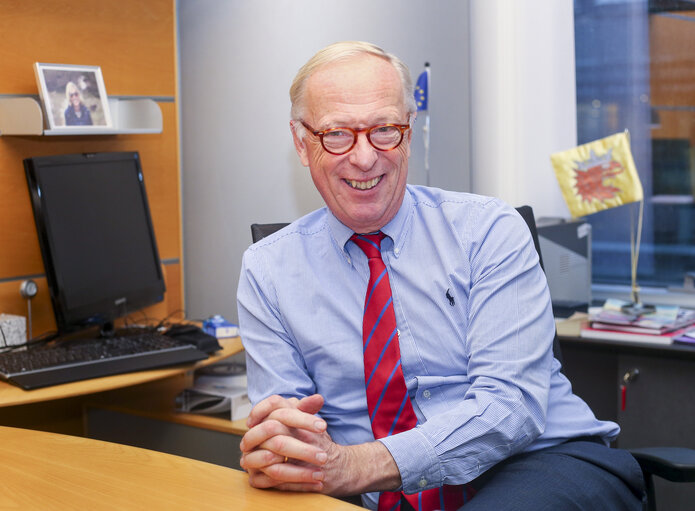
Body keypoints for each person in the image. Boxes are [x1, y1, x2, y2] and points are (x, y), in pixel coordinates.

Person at [237, 41, 645, 510]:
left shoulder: (488, 230)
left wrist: (354, 466)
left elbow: (509, 408)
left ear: (409, 133)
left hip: (540, 461)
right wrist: (279, 449)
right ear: (301, 143)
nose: (365, 157)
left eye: (385, 130)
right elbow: (288, 433)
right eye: (337, 135)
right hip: (369, 495)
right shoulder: (267, 270)